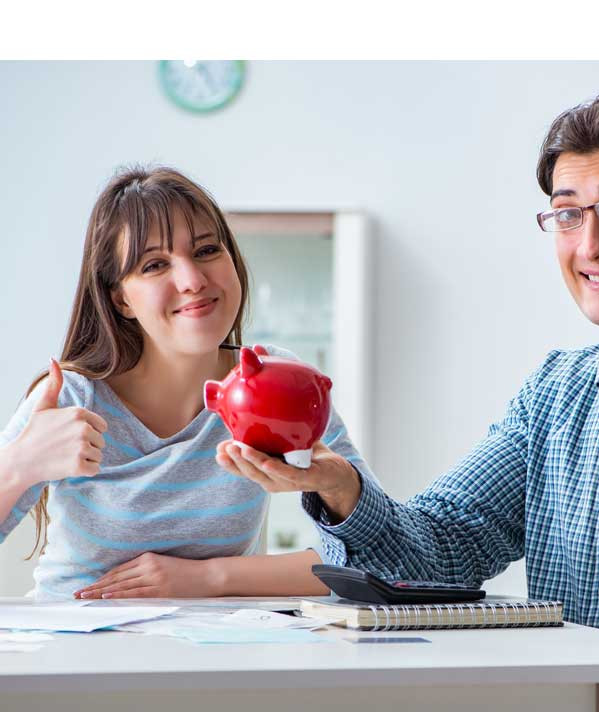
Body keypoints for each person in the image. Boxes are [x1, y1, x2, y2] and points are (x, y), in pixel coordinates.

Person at [222, 90, 599, 712]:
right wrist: (341, 489)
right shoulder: (553, 396)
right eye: (567, 214)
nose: (593, 243)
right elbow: (436, 556)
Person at [0, 166, 373, 600]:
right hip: (75, 653)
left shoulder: (275, 380)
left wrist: (207, 578)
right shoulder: (72, 397)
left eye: (207, 250)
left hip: (215, 659)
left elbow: (375, 554)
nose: (193, 281)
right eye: (155, 264)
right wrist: (18, 465)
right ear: (121, 299)